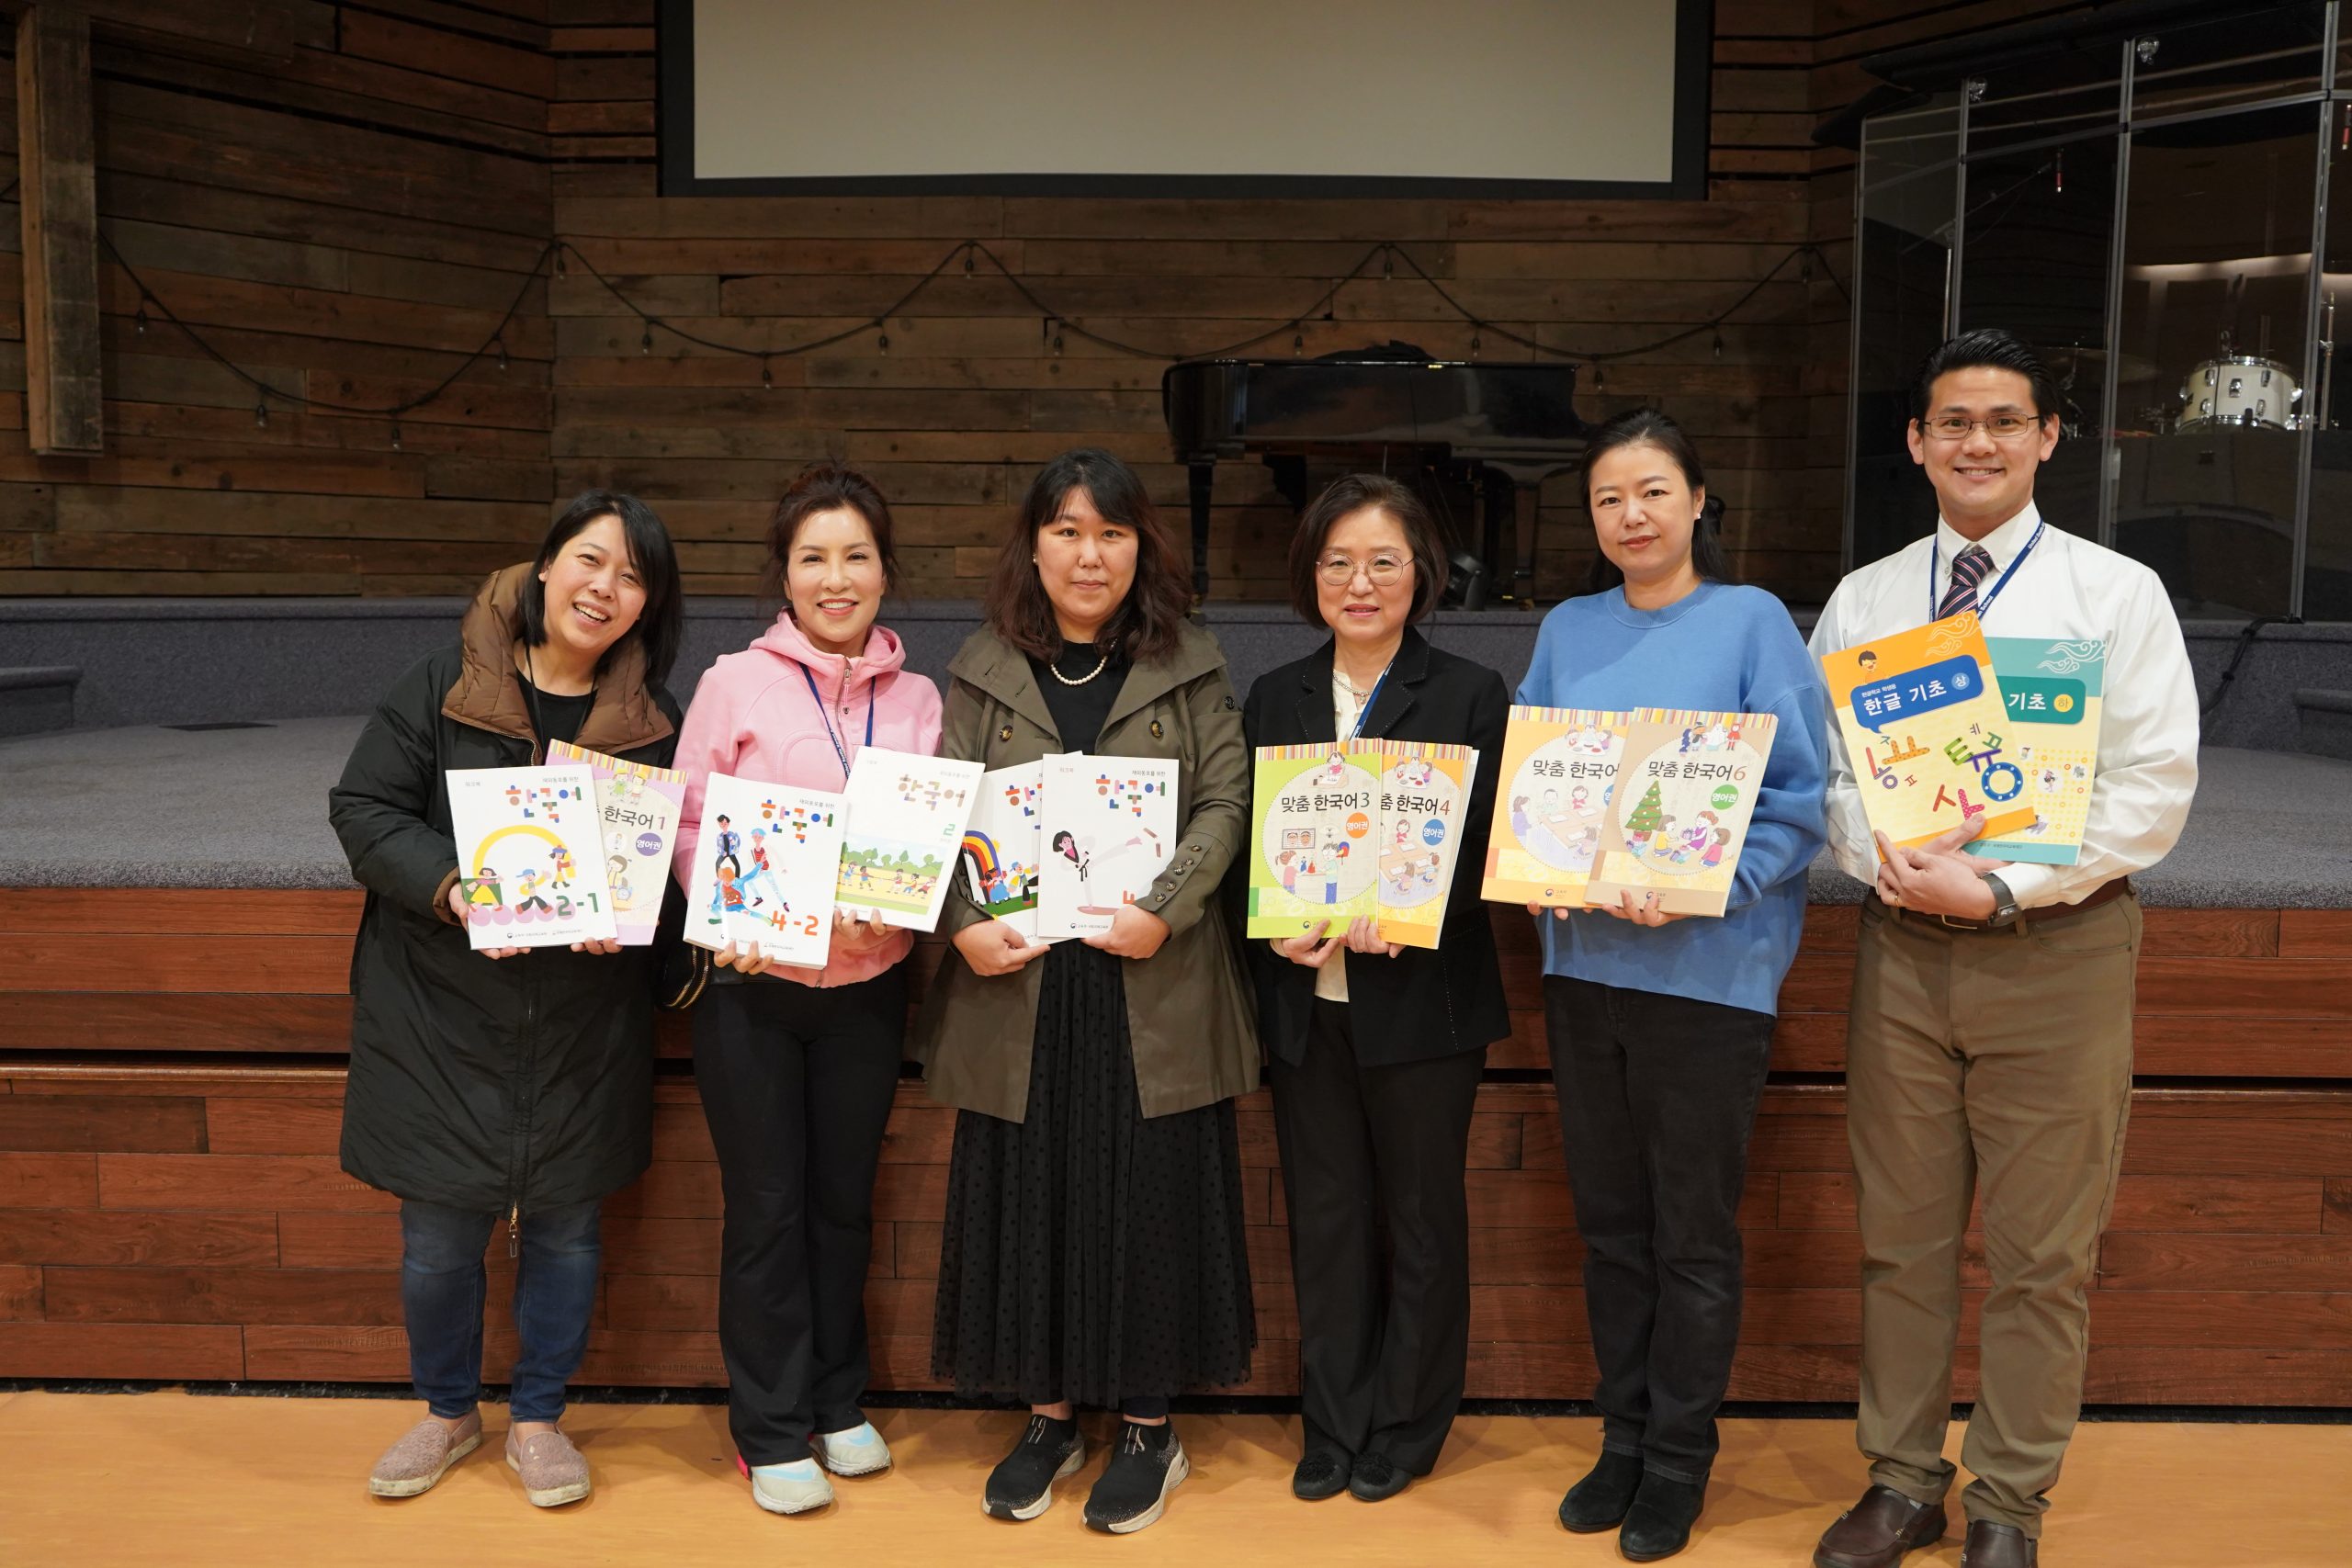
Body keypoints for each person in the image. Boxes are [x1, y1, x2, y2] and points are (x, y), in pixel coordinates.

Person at [1807, 330, 2197, 1568]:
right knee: (1902, 1234)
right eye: (1953, 422)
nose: (1979, 442)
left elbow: (2154, 788)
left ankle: (2009, 1504)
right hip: (1903, 948)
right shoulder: (1867, 598)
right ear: (1918, 443)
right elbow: (1827, 775)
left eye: (2004, 420)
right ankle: (1904, 1478)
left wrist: (2005, 884)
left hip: (2058, 951)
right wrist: (1892, 864)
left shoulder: (2114, 595)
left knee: (2042, 1254)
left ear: (2046, 439)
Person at [913, 447, 1257, 1535]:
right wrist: (964, 926)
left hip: (1148, 980)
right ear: (1033, 545)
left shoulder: (1191, 661)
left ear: (1139, 545)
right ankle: (1051, 1413)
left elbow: (1226, 802)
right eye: (1065, 530)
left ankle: (1152, 1430)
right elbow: (934, 815)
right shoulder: (979, 667)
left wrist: (1166, 905)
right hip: (1020, 986)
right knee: (1034, 1190)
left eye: (1110, 531)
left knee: (1146, 1194)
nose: (1088, 552)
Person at [331, 491, 685, 1508]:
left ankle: (538, 1418)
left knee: (569, 1233)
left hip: (583, 1020)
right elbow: (361, 806)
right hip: (440, 1013)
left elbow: (662, 867)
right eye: (588, 561)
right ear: (542, 569)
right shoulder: (443, 683)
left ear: (645, 605)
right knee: (438, 1243)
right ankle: (448, 1413)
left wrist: (654, 912)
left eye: (629, 576)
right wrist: (451, 887)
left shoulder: (653, 721)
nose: (603, 588)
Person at [1520, 409, 1830, 1561]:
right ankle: (1621, 1435)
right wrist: (1541, 867)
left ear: (1698, 501)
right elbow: (1536, 782)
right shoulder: (1567, 627)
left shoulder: (1751, 623)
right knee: (1610, 1228)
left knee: (1690, 1232)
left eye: (1652, 491)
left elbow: (1801, 802)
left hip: (1708, 975)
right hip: (1584, 967)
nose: (1631, 516)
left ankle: (1681, 1457)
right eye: (1608, 498)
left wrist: (1715, 886)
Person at [670, 461, 944, 1517]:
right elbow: (692, 827)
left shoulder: (919, 697)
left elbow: (931, 836)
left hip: (868, 989)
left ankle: (838, 1402)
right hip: (754, 993)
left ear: (885, 572)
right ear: (783, 576)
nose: (837, 579)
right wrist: (734, 915)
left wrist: (902, 911)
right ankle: (770, 1426)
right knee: (768, 1207)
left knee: (840, 1205)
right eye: (813, 558)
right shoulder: (736, 683)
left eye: (856, 557)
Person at [1237, 474, 1510, 1504]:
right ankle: (1332, 1424)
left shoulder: (1471, 691)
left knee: (1425, 1221)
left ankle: (1405, 1425)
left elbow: (1489, 848)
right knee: (1327, 1217)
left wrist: (1405, 913)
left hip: (1425, 1008)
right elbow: (1252, 858)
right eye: (1337, 562)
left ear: (1421, 574)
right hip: (1308, 1007)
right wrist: (1281, 935)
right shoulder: (1276, 695)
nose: (1360, 582)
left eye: (1382, 561)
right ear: (1311, 577)